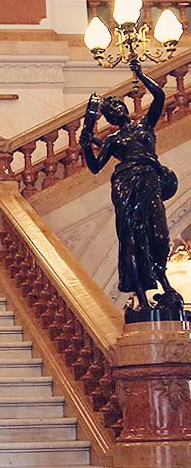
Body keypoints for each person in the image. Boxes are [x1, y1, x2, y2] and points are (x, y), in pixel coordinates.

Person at [79, 58, 184, 315]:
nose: (115, 107)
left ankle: (164, 284)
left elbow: (159, 97)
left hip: (149, 180)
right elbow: (95, 167)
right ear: (109, 117)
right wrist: (85, 145)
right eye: (109, 107)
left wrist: (140, 74)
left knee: (159, 236)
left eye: (116, 102)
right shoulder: (113, 139)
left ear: (124, 106)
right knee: (132, 239)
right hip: (126, 185)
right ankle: (142, 297)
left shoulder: (145, 125)